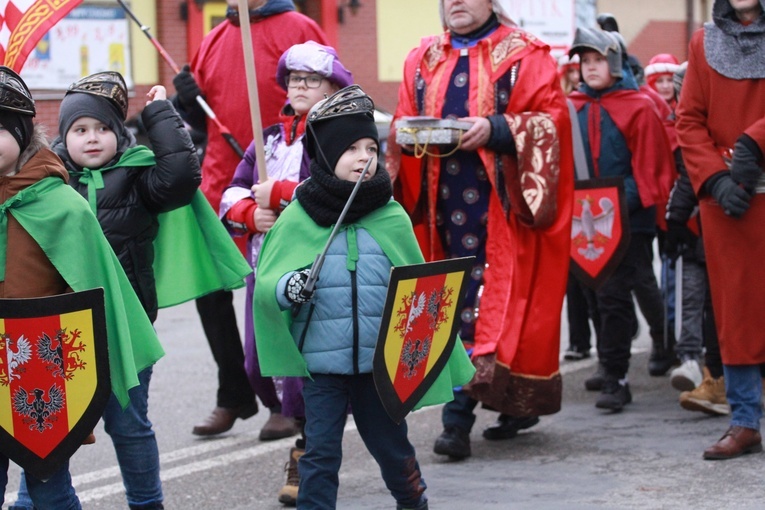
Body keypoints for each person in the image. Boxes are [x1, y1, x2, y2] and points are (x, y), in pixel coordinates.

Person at [253, 85, 474, 509]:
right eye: (350, 148)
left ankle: (414, 504)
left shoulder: (391, 215)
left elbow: (419, 293)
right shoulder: (299, 214)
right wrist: (290, 287)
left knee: (393, 450)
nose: (363, 157)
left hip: (379, 365)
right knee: (320, 454)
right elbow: (269, 283)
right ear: (325, 155)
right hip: (322, 366)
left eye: (370, 147)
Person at [386, 0, 574, 459]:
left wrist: (495, 128)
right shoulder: (422, 59)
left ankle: (462, 419)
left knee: (491, 312)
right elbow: (400, 127)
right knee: (442, 305)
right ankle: (472, 410)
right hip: (437, 216)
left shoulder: (526, 55)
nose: (456, 3)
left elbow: (552, 121)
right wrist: (408, 134)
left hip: (500, 215)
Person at [0, 67, 162, 508]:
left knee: (50, 487)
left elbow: (96, 298)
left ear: (20, 130)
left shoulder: (62, 207)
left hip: (42, 370)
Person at [172, 0, 329, 438]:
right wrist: (185, 100)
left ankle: (284, 398)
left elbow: (330, 102)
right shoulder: (214, 39)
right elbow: (200, 122)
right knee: (212, 292)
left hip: (284, 181)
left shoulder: (299, 26)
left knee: (279, 294)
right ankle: (234, 393)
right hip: (226, 182)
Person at [219, 40, 353, 506]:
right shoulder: (269, 139)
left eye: (311, 79)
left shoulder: (337, 139)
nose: (299, 86)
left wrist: (277, 193)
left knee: (306, 371)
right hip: (265, 268)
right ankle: (305, 434)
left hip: (315, 273)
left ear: (333, 88)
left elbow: (339, 192)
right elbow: (233, 189)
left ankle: (308, 451)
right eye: (294, 78)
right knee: (260, 364)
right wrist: (247, 214)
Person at [675, 0, 765, 460]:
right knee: (737, 311)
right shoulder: (703, 42)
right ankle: (746, 421)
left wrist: (755, 141)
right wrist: (714, 178)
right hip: (728, 201)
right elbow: (688, 120)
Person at [568, 27, 675, 411]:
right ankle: (606, 362)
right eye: (585, 61)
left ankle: (619, 375)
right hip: (583, 218)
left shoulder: (639, 105)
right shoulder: (572, 105)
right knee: (593, 295)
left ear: (614, 61)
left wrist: (609, 205)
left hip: (629, 219)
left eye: (598, 60)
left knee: (617, 295)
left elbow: (650, 169)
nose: (591, 68)